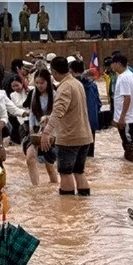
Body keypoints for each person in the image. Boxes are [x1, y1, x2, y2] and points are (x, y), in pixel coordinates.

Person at [40, 57, 94, 196]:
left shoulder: (64, 87)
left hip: (69, 137)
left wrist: (46, 133)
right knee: (79, 171)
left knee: (65, 172)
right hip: (85, 136)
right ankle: (84, 205)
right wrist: (48, 118)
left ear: (54, 72)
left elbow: (58, 111)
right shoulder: (77, 83)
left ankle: (68, 210)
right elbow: (70, 109)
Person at [24, 69, 59, 186]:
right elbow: (32, 113)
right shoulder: (34, 93)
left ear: (48, 82)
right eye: (37, 83)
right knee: (30, 157)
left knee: (49, 164)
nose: (39, 85)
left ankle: (54, 186)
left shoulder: (54, 95)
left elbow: (58, 114)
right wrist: (30, 128)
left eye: (42, 83)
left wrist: (48, 118)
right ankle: (35, 187)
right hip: (35, 131)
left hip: (50, 133)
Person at [111, 54, 133, 162]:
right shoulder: (130, 75)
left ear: (118, 64)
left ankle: (132, 163)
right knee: (129, 139)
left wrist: (122, 117)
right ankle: (131, 164)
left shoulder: (124, 78)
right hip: (131, 116)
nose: (111, 66)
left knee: (128, 140)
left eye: (112, 64)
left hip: (127, 117)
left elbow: (127, 98)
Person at [70, 60, 102, 157]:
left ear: (72, 71)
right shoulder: (93, 85)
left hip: (78, 122)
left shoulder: (73, 86)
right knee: (89, 154)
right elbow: (99, 103)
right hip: (92, 121)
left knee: (78, 154)